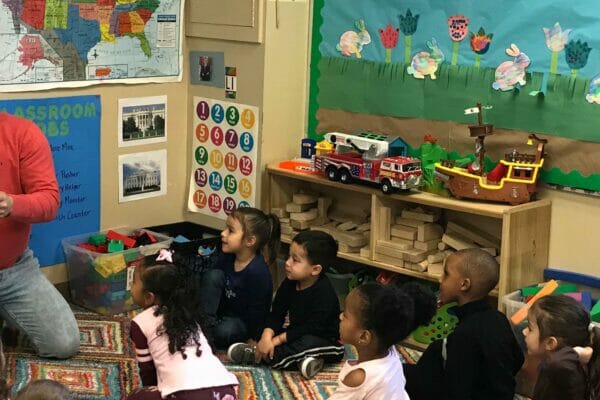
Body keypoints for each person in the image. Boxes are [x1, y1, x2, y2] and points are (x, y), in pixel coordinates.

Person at [0, 112, 79, 359]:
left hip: (14, 269)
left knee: (65, 343)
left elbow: (49, 201)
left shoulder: (23, 132)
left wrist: (12, 204)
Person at [404, 248, 524, 400]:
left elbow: (456, 391)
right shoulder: (498, 318)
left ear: (464, 284)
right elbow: (518, 359)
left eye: (446, 274)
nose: (440, 279)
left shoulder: (465, 334)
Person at [227, 230, 345, 379]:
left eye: (295, 260)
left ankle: (257, 355)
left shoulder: (324, 293)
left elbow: (311, 328)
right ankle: (298, 359)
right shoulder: (290, 282)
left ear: (315, 269)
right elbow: (277, 313)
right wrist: (266, 336)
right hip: (294, 332)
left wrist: (276, 341)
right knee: (261, 326)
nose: (287, 263)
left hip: (324, 339)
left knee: (292, 350)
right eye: (289, 256)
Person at [128, 255, 238, 400]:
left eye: (134, 282)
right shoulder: (189, 312)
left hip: (184, 394)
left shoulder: (140, 323)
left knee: (136, 396)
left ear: (149, 297)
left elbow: (147, 371)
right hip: (225, 389)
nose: (130, 285)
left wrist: (156, 390)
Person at [329, 282, 436, 399]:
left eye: (345, 315)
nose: (340, 316)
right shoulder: (391, 353)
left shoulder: (358, 378)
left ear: (364, 336)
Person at [198, 207, 280, 349]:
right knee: (213, 276)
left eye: (230, 231)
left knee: (226, 331)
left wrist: (254, 337)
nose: (223, 233)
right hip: (222, 312)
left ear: (250, 241)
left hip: (241, 322)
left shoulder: (258, 272)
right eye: (225, 228)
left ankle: (209, 334)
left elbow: (259, 311)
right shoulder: (227, 256)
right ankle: (203, 327)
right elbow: (212, 287)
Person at [523, 294, 600, 400]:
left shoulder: (565, 371)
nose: (524, 332)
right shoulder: (559, 365)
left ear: (550, 343)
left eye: (530, 329)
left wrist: (576, 353)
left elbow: (558, 362)